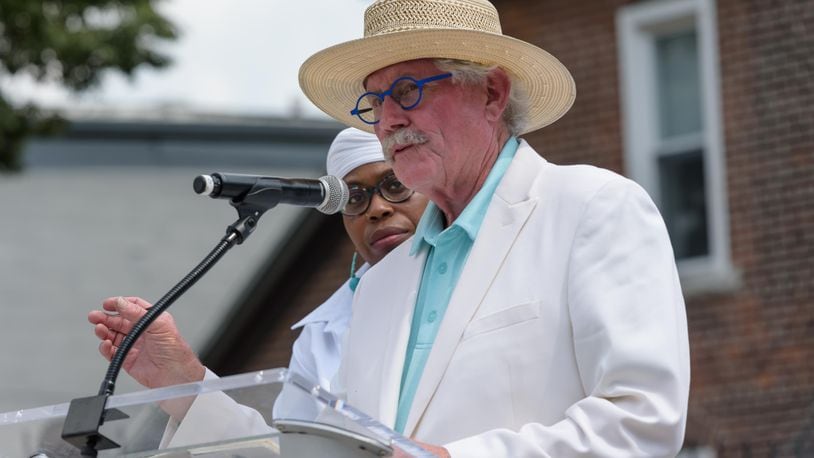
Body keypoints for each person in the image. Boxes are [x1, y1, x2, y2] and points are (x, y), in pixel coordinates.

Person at [297, 0, 691, 456]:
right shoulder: (378, 286)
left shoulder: (593, 207)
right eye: (375, 102)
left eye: (407, 91)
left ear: (491, 93)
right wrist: (196, 394)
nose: (388, 121)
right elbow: (333, 446)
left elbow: (643, 420)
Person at [87, 127, 428, 444]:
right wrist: (182, 383)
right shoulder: (320, 336)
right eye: (354, 198)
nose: (377, 209)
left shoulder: (473, 283)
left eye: (395, 185)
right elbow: (291, 454)